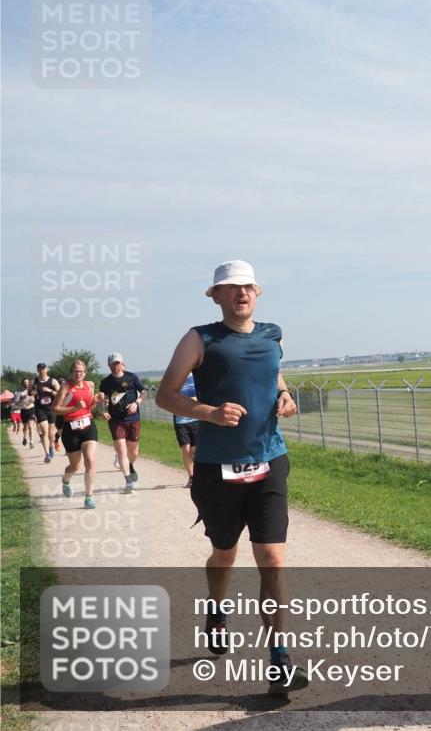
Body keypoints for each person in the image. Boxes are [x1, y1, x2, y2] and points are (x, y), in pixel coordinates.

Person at [156, 260, 307, 695]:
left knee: (272, 559)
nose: (240, 293)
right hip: (216, 468)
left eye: (247, 286)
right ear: (215, 296)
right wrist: (209, 413)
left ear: (257, 292)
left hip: (270, 460)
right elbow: (166, 394)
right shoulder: (199, 338)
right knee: (224, 552)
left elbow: (272, 370)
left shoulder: (272, 334)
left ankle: (280, 658)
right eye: (230, 287)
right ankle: (217, 609)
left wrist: (284, 394)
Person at [53, 359, 106, 509]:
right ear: (71, 372)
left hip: (88, 426)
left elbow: (89, 407)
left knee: (90, 460)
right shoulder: (65, 387)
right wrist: (73, 408)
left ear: (85, 373)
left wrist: (96, 400)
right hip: (71, 429)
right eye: (76, 371)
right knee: (75, 466)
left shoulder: (90, 385)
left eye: (81, 372)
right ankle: (66, 480)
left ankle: (89, 496)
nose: (78, 374)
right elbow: (55, 409)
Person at [99, 353, 147, 493]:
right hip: (116, 420)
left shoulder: (131, 377)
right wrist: (103, 411)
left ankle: (130, 465)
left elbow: (143, 392)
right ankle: (128, 481)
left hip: (133, 419)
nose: (116, 366)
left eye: (118, 363)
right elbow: (101, 398)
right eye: (113, 364)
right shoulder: (106, 382)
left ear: (122, 363)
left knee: (133, 452)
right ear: (109, 366)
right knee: (121, 449)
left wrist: (137, 403)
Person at [173, 373, 200, 488]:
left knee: (194, 451)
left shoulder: (196, 377)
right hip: (180, 421)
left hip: (195, 419)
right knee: (186, 449)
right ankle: (191, 477)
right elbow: (170, 397)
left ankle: (199, 474)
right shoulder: (175, 378)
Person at [33, 363, 61, 463]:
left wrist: (50, 391)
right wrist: (32, 394)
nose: (42, 371)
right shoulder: (35, 381)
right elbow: (29, 393)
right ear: (37, 370)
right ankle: (47, 454)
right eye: (40, 369)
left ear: (47, 370)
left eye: (43, 369)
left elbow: (60, 394)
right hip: (40, 409)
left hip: (51, 409)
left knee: (51, 431)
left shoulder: (53, 381)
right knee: (44, 431)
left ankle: (51, 446)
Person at [18, 379, 35, 449]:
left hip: (31, 409)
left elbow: (33, 400)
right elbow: (16, 403)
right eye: (25, 382)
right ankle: (25, 437)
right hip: (23, 410)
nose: (26, 384)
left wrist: (32, 398)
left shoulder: (31, 391)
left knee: (31, 426)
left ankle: (31, 442)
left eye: (27, 382)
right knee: (25, 427)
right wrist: (21, 400)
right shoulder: (19, 393)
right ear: (22, 384)